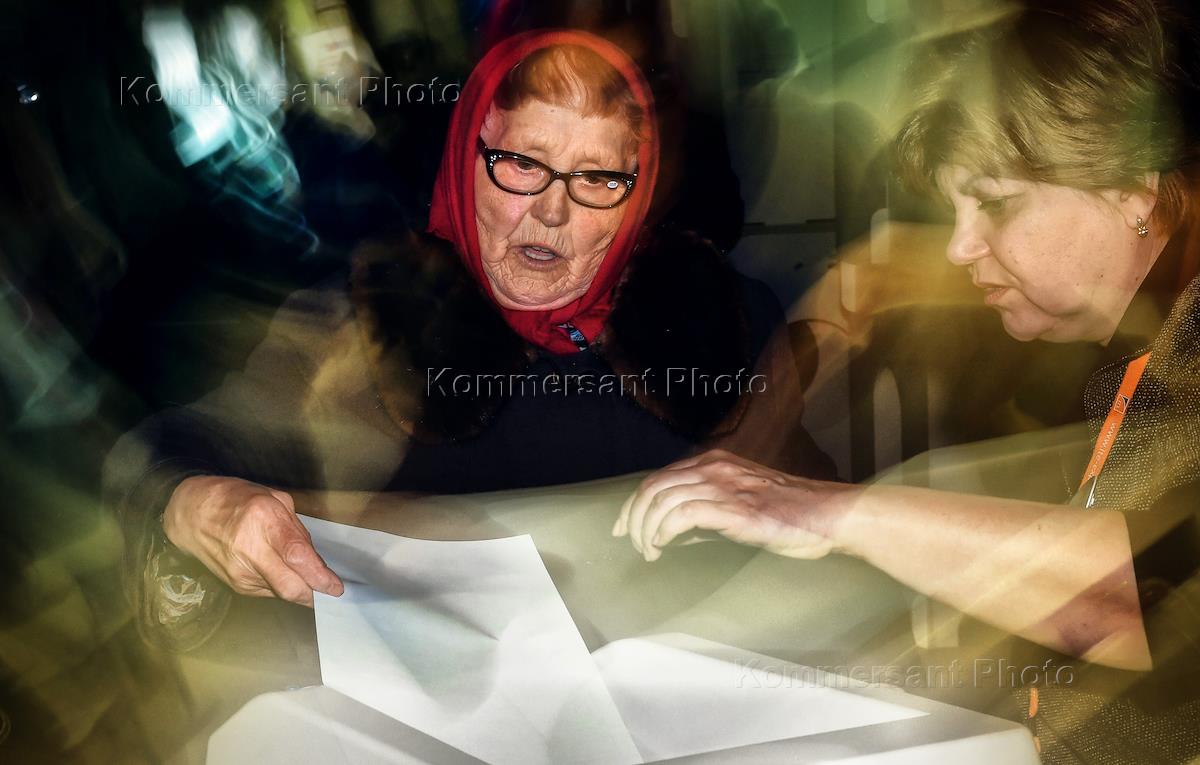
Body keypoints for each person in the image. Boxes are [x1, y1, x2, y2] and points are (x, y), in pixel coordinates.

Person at [104, 29, 833, 648]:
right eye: (522, 164)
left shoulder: (719, 319)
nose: (551, 210)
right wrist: (197, 501)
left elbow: (807, 515)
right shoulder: (371, 326)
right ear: (466, 158)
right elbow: (186, 445)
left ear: (636, 192)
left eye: (597, 178)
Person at [614, 0, 1200, 761]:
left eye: (995, 203)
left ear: (1133, 190)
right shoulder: (1141, 346)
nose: (959, 247)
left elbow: (1141, 591)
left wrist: (826, 512)